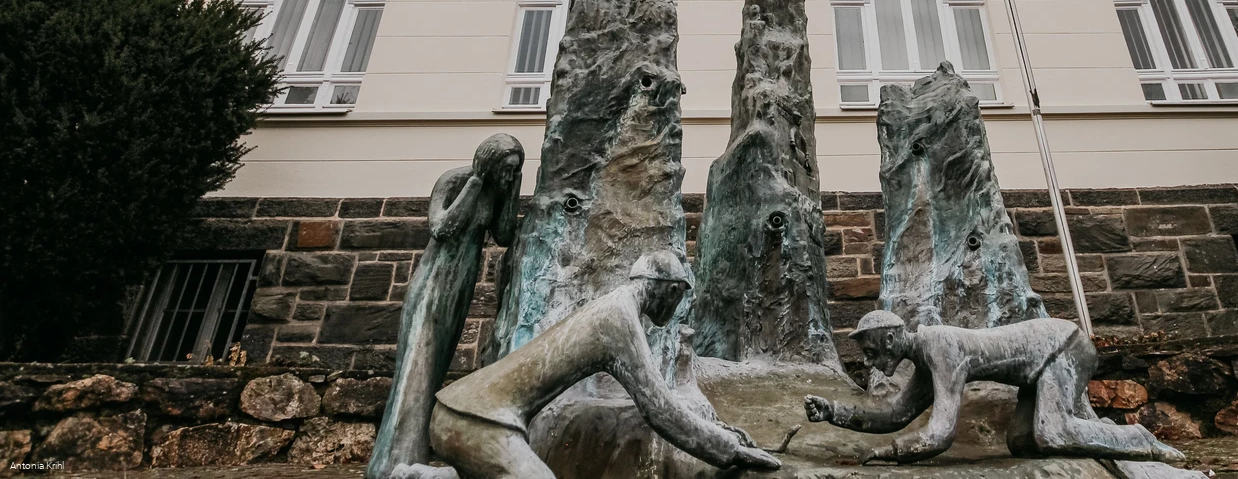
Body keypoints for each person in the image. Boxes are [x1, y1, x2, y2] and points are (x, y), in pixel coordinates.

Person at [427, 252, 780, 479]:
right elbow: (661, 411)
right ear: (668, 290)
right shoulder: (618, 319)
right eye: (677, 295)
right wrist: (731, 450)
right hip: (479, 421)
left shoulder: (614, 306)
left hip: (459, 409)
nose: (676, 308)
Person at [804, 310, 1185, 466]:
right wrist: (833, 412)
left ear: (889, 340)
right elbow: (895, 415)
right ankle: (1111, 436)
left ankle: (1139, 438)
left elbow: (939, 436)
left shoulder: (942, 347)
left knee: (1052, 432)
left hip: (1063, 346)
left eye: (870, 352)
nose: (868, 362)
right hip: (1038, 368)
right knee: (1022, 443)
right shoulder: (925, 355)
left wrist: (884, 453)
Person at [366, 134, 525, 479]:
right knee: (416, 367)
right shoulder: (453, 181)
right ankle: (391, 460)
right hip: (433, 280)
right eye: (506, 171)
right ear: (490, 162)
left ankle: (414, 453)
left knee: (435, 367)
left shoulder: (501, 189)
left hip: (462, 282)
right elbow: (441, 227)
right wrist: (475, 184)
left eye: (515, 172)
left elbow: (504, 235)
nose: (509, 177)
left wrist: (512, 193)